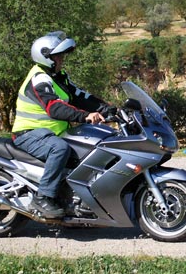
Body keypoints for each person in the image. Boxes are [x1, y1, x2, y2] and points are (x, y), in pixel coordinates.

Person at [12, 31, 111, 218]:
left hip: (49, 134)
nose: (62, 59)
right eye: (58, 56)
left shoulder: (59, 77)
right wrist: (86, 116)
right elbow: (54, 108)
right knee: (60, 150)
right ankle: (43, 197)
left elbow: (80, 97)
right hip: (29, 134)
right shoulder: (39, 77)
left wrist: (109, 110)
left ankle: (73, 200)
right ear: (46, 57)